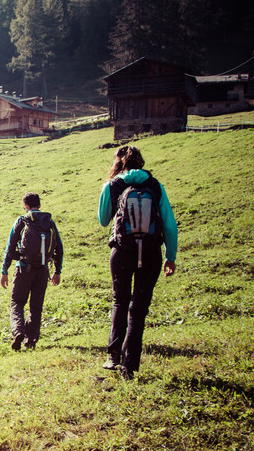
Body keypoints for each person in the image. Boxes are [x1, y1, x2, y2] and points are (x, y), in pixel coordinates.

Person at [97, 145, 178, 380]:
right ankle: (129, 366)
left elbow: (103, 220)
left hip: (122, 252)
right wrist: (170, 257)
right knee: (138, 310)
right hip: (151, 253)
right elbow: (170, 225)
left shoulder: (113, 185)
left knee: (120, 302)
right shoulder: (155, 185)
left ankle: (113, 356)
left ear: (118, 163)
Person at [0, 192, 63, 351]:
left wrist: (4, 270)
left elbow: (10, 246)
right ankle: (31, 340)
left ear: (26, 206)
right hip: (42, 270)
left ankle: (18, 332)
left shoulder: (22, 221)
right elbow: (59, 248)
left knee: (17, 302)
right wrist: (57, 271)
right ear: (39, 205)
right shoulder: (50, 222)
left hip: (23, 268)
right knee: (36, 306)